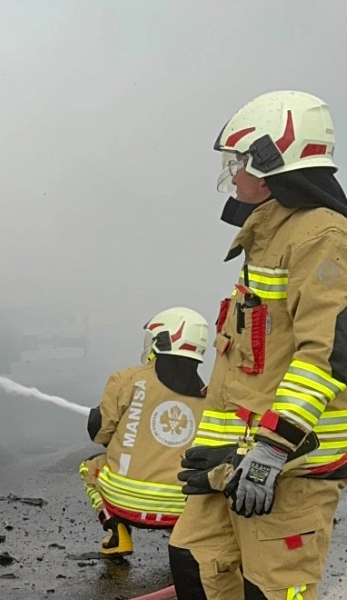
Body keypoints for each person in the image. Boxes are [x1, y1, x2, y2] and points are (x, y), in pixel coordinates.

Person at [171, 90, 347, 599]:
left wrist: (272, 449)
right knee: (195, 562)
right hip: (233, 460)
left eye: (241, 161)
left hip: (290, 466)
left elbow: (326, 356)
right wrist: (216, 449)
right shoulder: (271, 234)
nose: (233, 175)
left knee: (270, 589)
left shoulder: (323, 237)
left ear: (273, 164)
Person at [80, 307, 209, 557]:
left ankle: (117, 532)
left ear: (160, 340)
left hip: (123, 502)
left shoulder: (127, 379)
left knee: (89, 467)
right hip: (181, 509)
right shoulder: (209, 395)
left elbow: (100, 435)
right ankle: (183, 538)